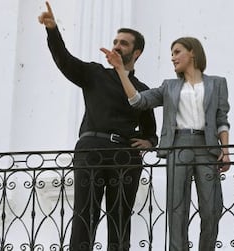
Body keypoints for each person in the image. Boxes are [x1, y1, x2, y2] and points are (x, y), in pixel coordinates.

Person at [38, 2, 158, 250]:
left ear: (137, 53)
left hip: (125, 156)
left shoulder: (142, 90)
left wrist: (149, 142)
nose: (116, 46)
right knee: (84, 217)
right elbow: (65, 61)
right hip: (91, 150)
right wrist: (53, 30)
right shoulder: (94, 73)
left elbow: (150, 132)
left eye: (124, 43)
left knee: (120, 221)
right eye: (116, 41)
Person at [101, 36, 231, 251]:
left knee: (212, 208)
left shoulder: (217, 83)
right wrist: (121, 72)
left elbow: (221, 119)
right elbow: (138, 101)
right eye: (171, 53)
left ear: (193, 53)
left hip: (207, 148)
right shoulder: (168, 86)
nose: (173, 57)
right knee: (177, 209)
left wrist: (225, 151)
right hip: (177, 146)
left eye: (177, 52)